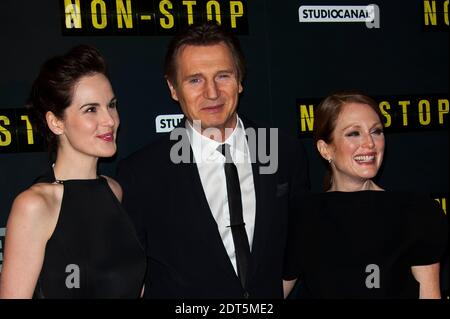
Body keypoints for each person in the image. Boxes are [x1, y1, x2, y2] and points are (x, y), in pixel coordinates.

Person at [116, 22, 310, 298]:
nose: (211, 93)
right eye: (195, 80)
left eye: (223, 76)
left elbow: (298, 244)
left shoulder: (283, 151)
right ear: (173, 88)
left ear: (240, 80)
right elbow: (134, 277)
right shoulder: (142, 173)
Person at [0, 45, 146, 298]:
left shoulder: (114, 191)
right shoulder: (36, 205)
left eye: (111, 105)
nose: (109, 120)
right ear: (56, 122)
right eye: (91, 109)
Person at [283, 92, 448, 299]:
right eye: (354, 133)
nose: (370, 143)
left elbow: (430, 295)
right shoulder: (303, 216)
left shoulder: (415, 211)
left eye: (376, 131)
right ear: (325, 149)